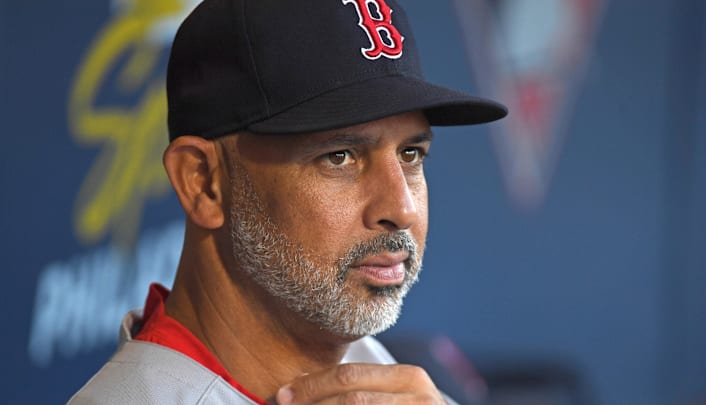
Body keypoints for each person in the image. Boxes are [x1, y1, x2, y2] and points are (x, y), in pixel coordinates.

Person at [68, 0, 506, 403]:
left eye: (411, 154)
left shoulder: (396, 381)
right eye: (340, 157)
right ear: (202, 182)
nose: (402, 208)